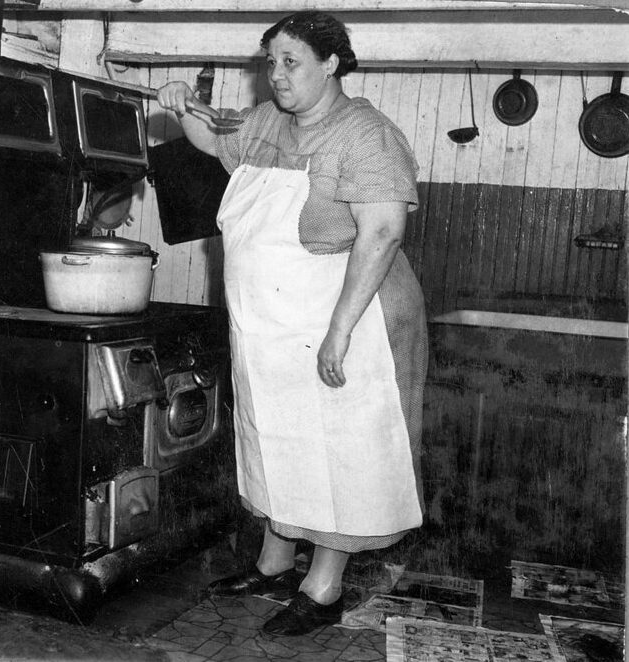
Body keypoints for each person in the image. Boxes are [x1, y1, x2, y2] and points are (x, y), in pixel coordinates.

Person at [157, 10, 427, 637]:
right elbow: (213, 140)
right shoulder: (266, 122)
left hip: (353, 316)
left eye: (291, 62)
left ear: (331, 63)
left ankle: (323, 586)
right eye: (270, 62)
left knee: (340, 447)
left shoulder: (367, 135)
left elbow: (382, 233)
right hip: (275, 322)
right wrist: (182, 103)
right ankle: (274, 564)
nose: (276, 75)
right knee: (278, 434)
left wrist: (340, 332)